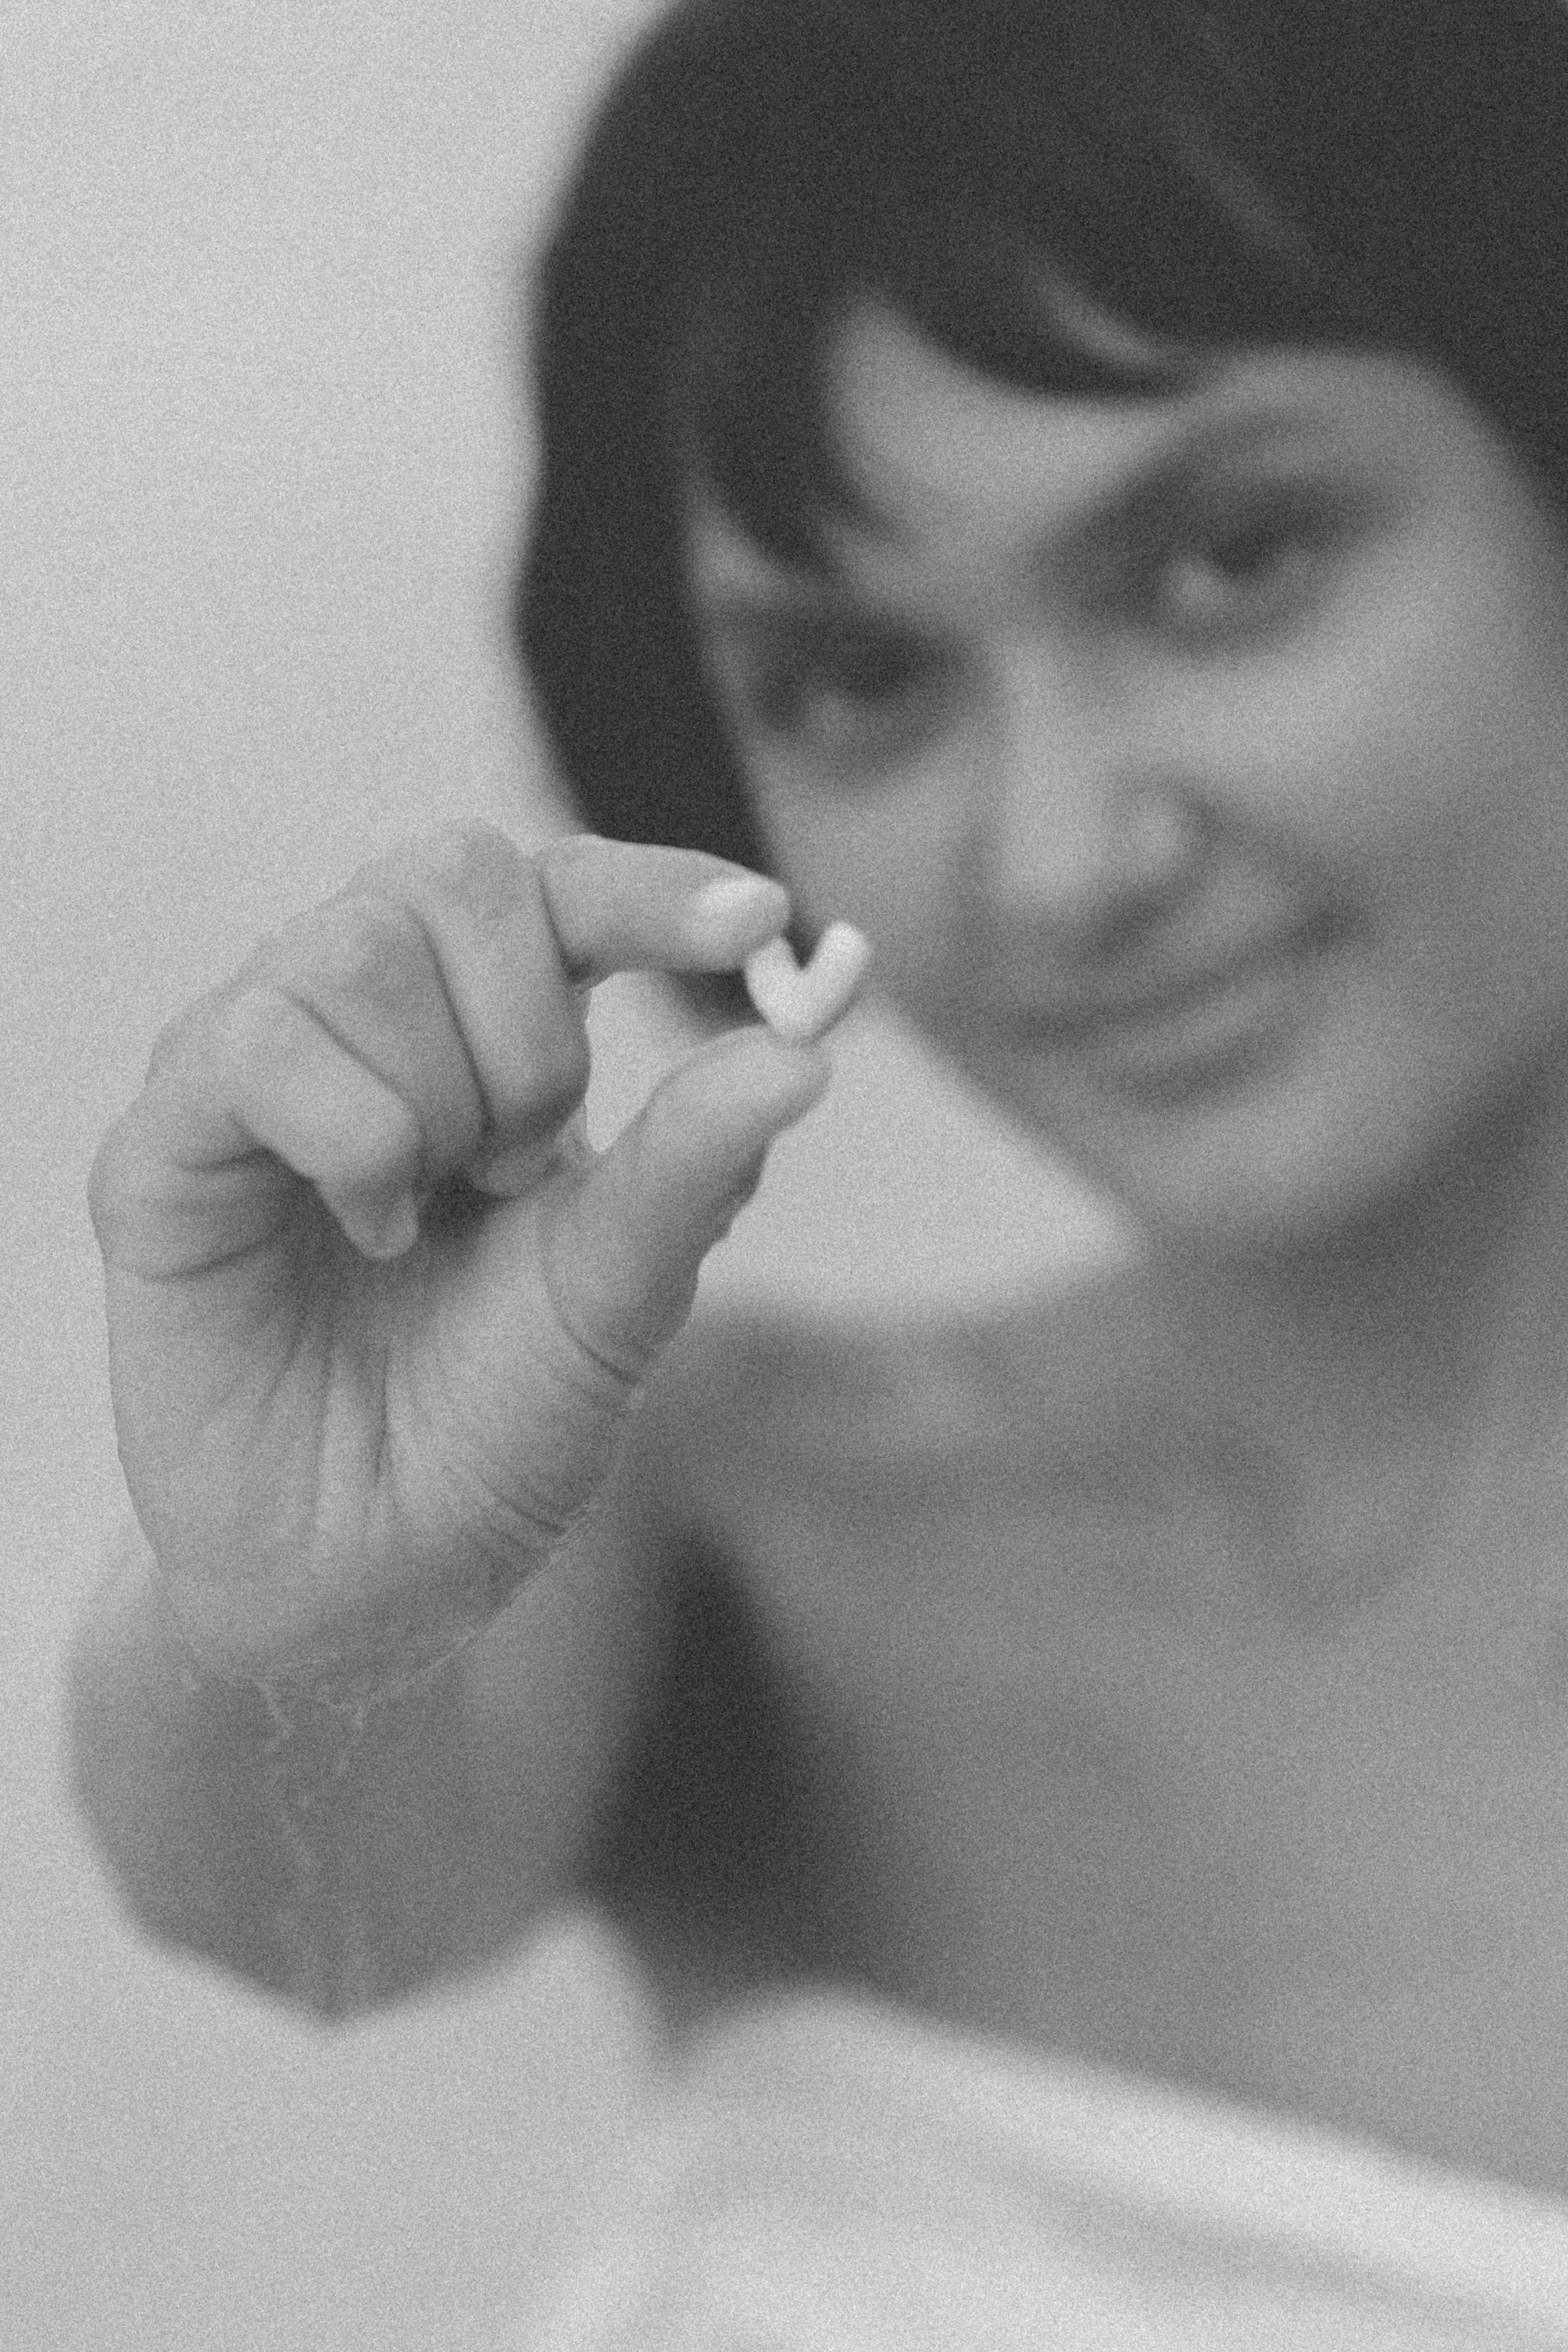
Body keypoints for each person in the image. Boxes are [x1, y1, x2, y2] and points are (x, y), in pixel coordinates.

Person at [70, 0, 1568, 2333]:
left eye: (1229, 561)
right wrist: (298, 1600)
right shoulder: (732, 1521)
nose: (1061, 858)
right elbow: (304, 1914)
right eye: (858, 687)